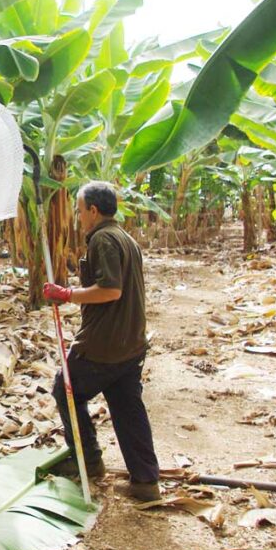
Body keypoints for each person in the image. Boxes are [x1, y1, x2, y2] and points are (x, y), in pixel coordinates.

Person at [42, 181, 161, 501]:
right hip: (130, 342)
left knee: (64, 389)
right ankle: (146, 481)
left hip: (104, 345)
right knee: (127, 407)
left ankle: (88, 459)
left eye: (80, 211)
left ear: (93, 211)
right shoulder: (125, 239)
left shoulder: (104, 240)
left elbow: (111, 290)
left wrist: (65, 295)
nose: (78, 217)